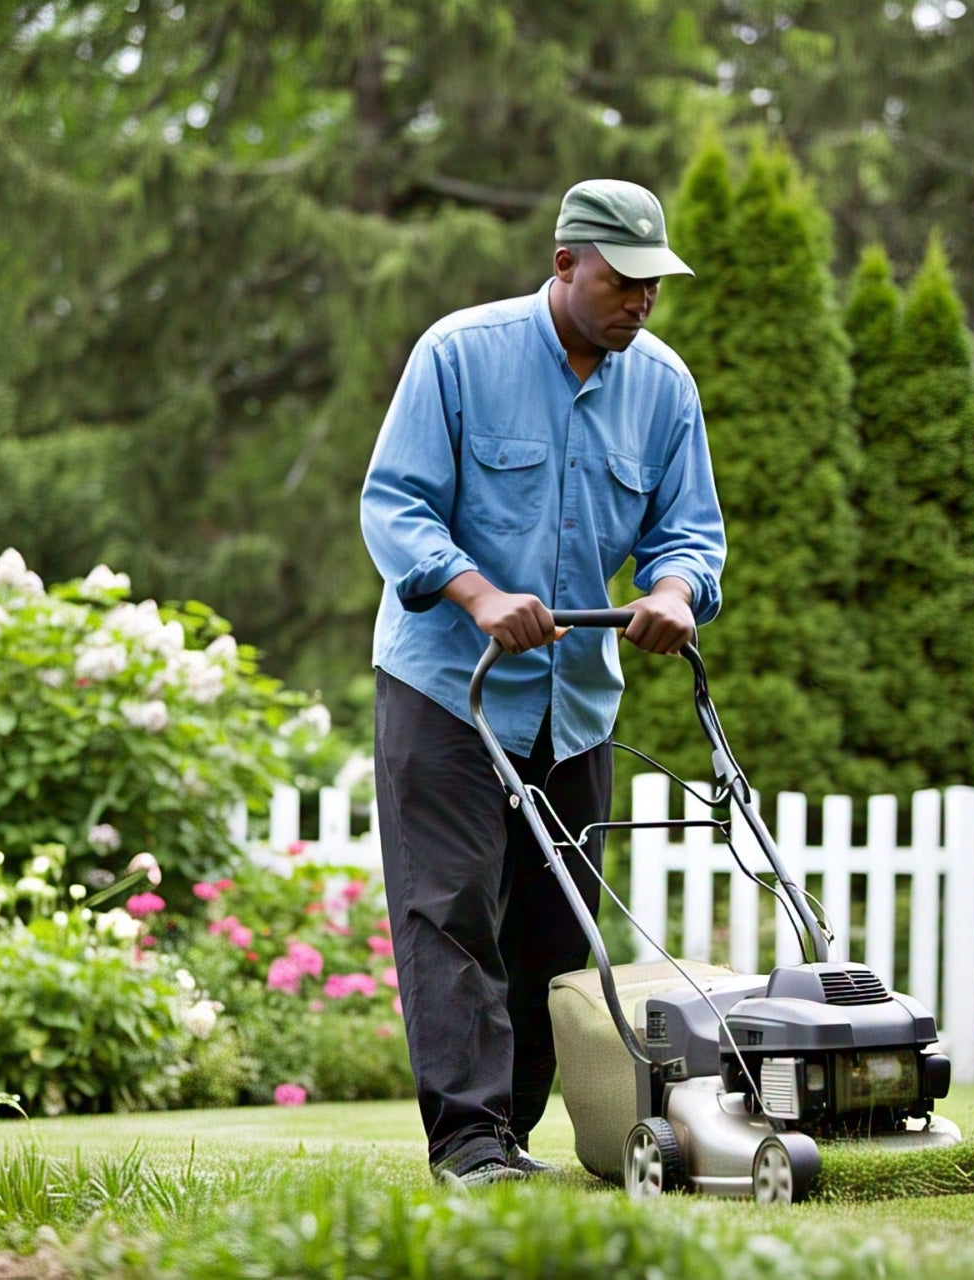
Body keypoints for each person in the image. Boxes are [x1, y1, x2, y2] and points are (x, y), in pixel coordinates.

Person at [360, 178, 726, 1187]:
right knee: (451, 910)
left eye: (655, 284)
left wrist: (674, 590)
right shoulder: (458, 354)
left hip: (574, 701)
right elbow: (394, 506)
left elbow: (688, 530)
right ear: (565, 263)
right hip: (448, 686)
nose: (641, 301)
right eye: (623, 279)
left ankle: (509, 1132)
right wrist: (477, 593)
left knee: (555, 930)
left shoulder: (662, 386)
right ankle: (468, 1142)